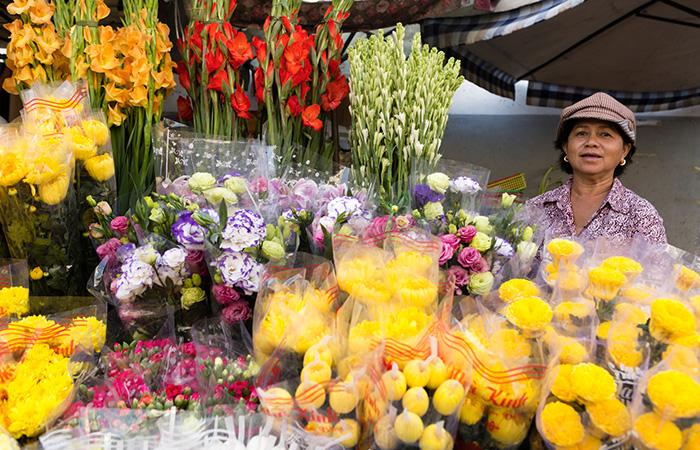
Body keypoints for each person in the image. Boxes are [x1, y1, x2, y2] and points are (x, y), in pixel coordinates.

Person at [526, 92, 667, 245]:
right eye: (581, 133)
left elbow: (658, 268)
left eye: (605, 134)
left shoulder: (641, 215)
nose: (591, 142)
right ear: (566, 146)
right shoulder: (536, 208)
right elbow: (513, 265)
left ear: (624, 150)